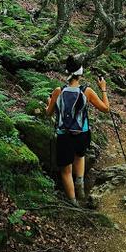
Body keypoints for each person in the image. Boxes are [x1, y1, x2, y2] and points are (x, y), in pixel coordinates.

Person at [46, 55, 110, 205]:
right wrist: (103, 89)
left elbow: (49, 113)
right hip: (82, 133)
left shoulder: (58, 91)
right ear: (80, 73)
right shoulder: (86, 91)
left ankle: (73, 202)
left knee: (66, 170)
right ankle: (80, 184)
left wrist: (49, 103)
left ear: (67, 72)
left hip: (64, 135)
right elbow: (106, 109)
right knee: (80, 156)